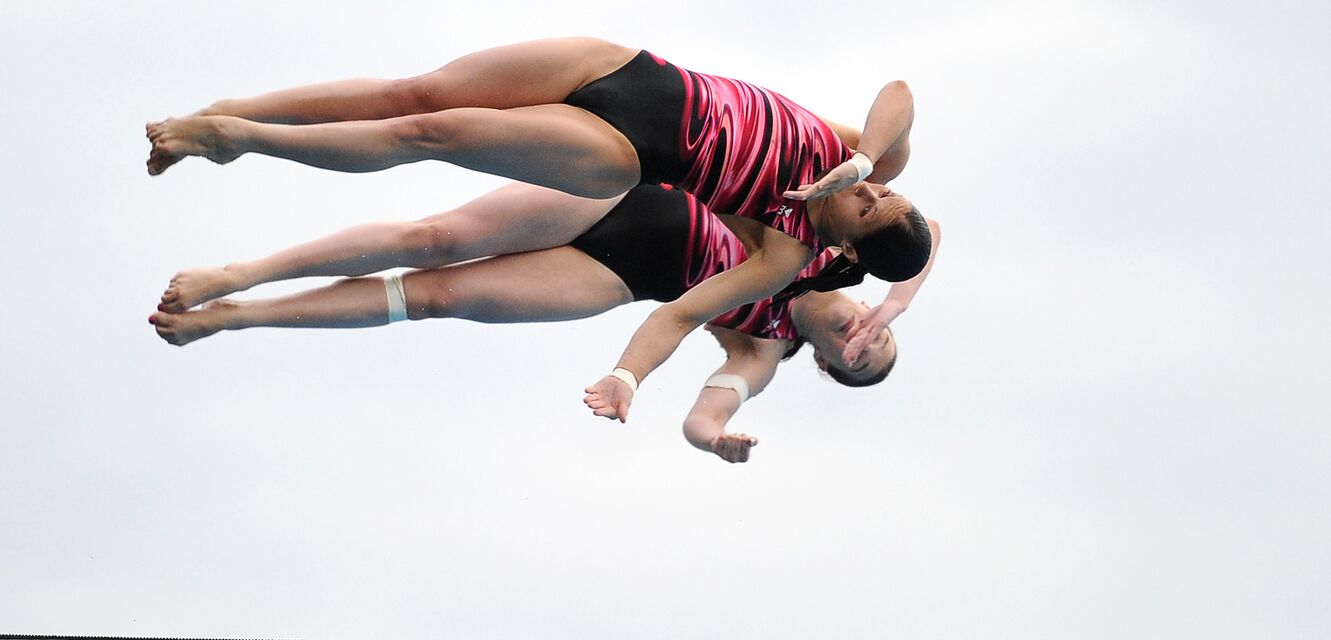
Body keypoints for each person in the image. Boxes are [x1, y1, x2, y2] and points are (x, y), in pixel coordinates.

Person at [144, 38, 932, 417]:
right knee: (414, 94)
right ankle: (224, 115)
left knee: (436, 147)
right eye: (877, 197)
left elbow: (679, 316)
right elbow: (899, 92)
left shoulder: (781, 268)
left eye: (861, 356)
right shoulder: (857, 159)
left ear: (850, 250)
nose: (869, 197)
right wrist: (864, 165)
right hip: (628, 72)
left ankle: (240, 163)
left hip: (623, 162)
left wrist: (628, 379)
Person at [149, 182, 940, 461]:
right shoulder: (849, 257)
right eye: (877, 337)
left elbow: (706, 412)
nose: (860, 342)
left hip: (615, 273)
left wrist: (714, 442)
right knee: (436, 238)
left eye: (857, 363)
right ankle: (241, 272)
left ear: (830, 367)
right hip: (625, 199)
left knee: (434, 296)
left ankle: (240, 316)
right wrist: (900, 301)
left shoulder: (765, 345)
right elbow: (927, 236)